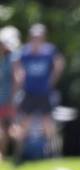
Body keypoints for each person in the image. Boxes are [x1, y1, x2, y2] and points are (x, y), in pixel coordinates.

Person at [12, 24, 64, 155]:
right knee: (24, 122)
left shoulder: (49, 50)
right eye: (34, 37)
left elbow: (59, 63)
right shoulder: (24, 51)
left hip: (44, 92)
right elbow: (16, 65)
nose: (36, 40)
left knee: (48, 121)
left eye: (39, 37)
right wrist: (20, 78)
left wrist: (52, 80)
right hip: (29, 92)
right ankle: (19, 151)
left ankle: (53, 151)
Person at [0, 29, 16, 160]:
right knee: (5, 129)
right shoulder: (5, 59)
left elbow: (16, 80)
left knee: (7, 129)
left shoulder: (11, 59)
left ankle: (4, 154)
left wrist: (13, 98)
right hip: (4, 99)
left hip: (7, 99)